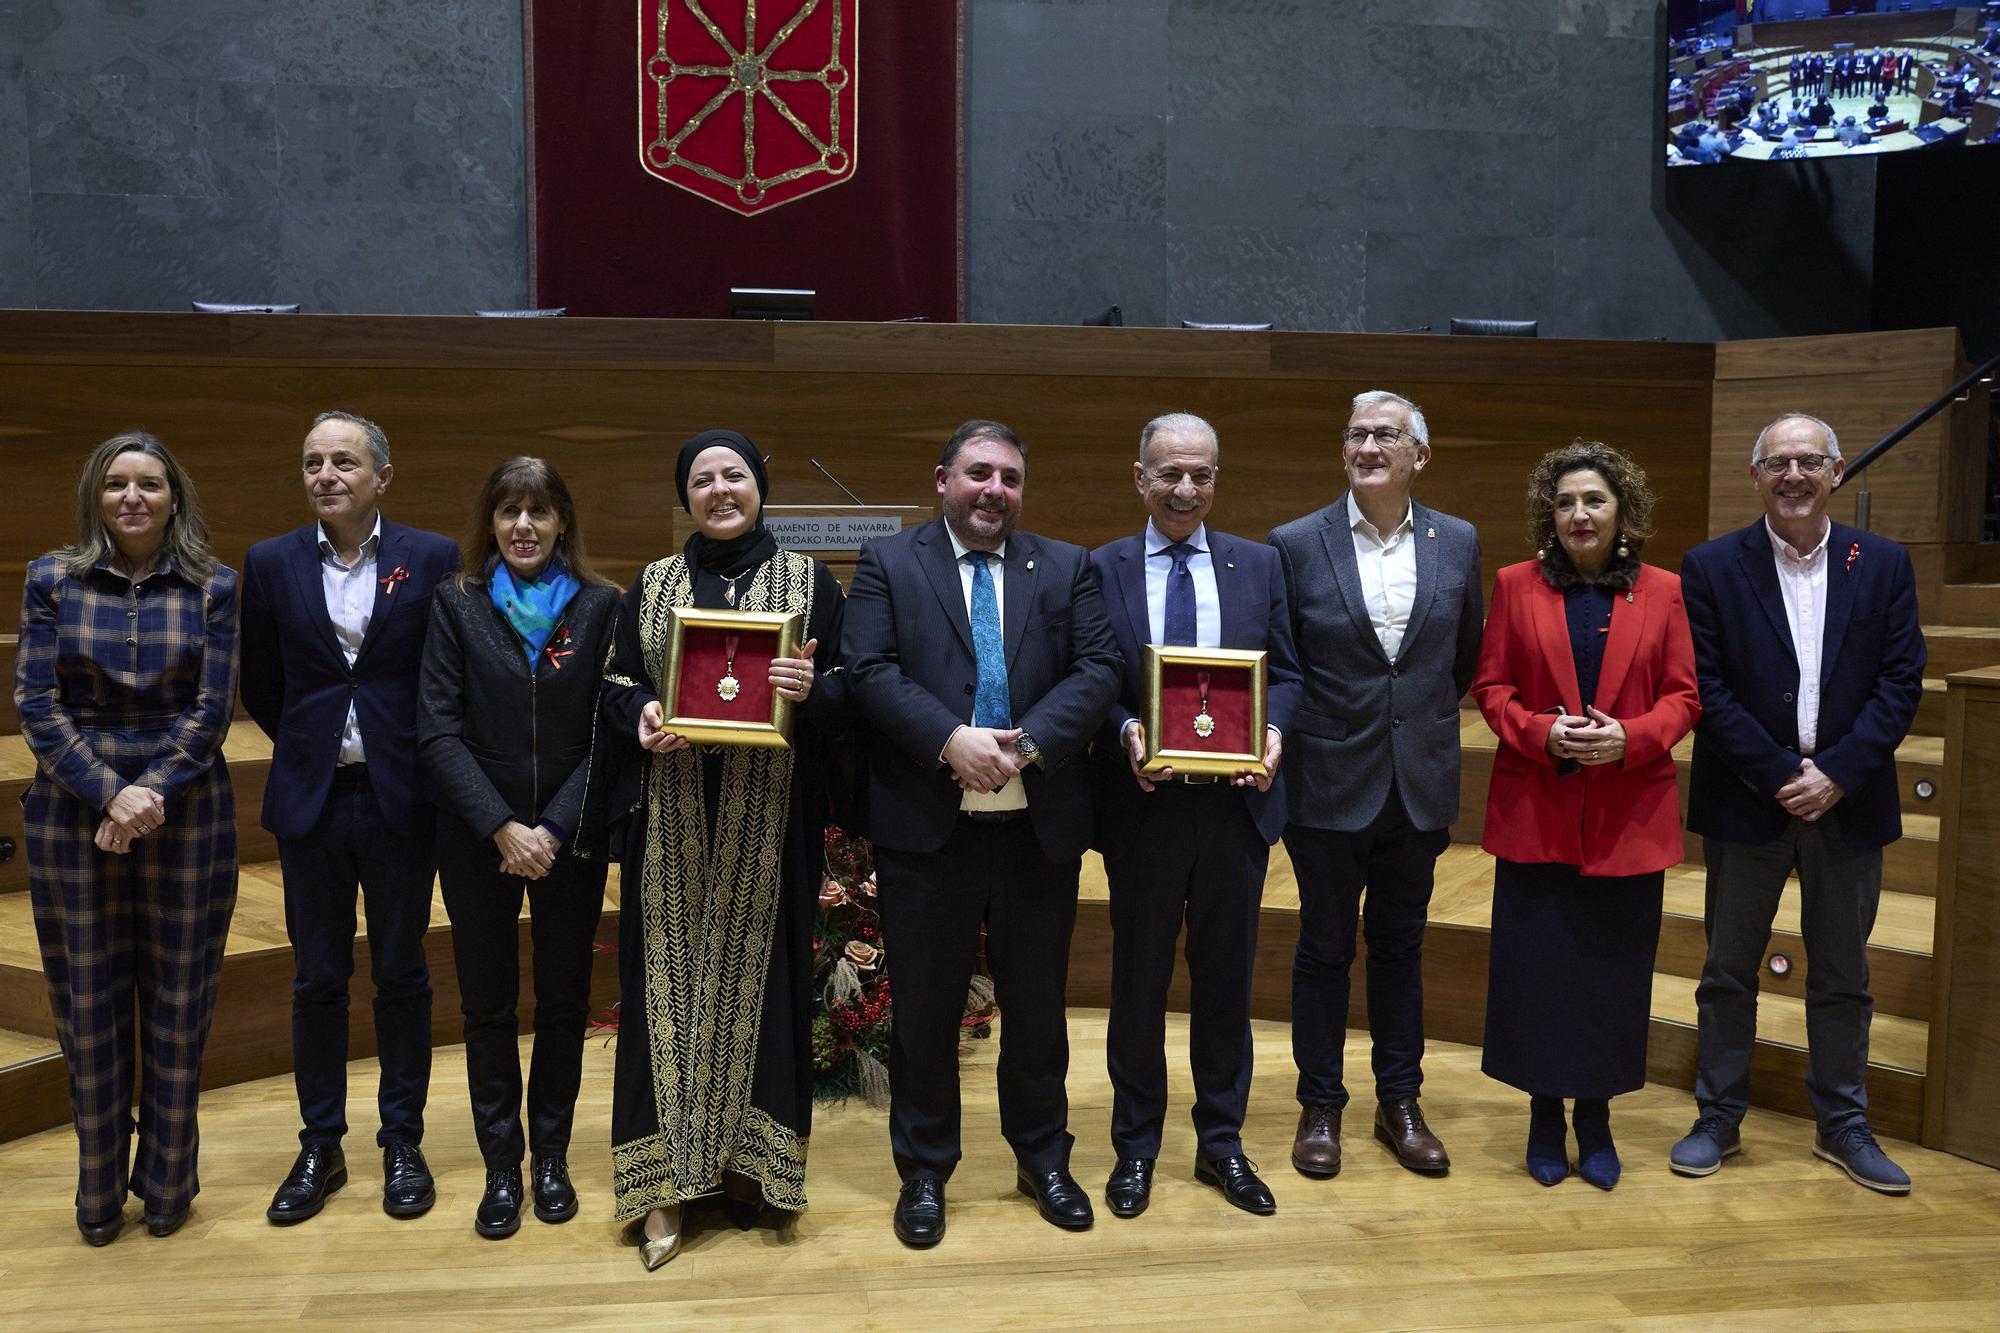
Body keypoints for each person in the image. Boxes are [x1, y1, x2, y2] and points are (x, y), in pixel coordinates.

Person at [845, 419, 1121, 1247]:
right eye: (979, 473)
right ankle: (925, 1171)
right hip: (928, 830)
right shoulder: (891, 562)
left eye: (1009, 477)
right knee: (925, 1012)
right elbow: (868, 669)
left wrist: (1026, 744)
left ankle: (1043, 1157)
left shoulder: (1066, 565)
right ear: (943, 479)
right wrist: (949, 739)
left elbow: (1099, 668)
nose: (994, 489)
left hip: (1038, 829)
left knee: (1036, 1008)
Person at [601, 429, 848, 1269]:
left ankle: (749, 1169)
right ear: (686, 497)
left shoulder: (811, 582)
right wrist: (639, 712)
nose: (719, 490)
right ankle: (663, 1188)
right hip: (670, 821)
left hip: (770, 822)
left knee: (766, 988)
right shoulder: (653, 583)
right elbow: (617, 680)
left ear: (759, 487)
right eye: (702, 479)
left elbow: (850, 688)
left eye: (733, 474)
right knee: (662, 994)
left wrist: (811, 691)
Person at [1672, 413, 1926, 1194]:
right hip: (1749, 797)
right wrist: (1785, 772)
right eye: (1777, 462)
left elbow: (1901, 680)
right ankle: (1718, 1117)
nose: (1793, 475)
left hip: (1849, 802)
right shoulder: (1711, 566)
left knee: (1844, 974)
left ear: (1837, 472)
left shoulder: (1883, 563)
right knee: (1727, 970)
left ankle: (1843, 1124)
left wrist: (1836, 773)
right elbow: (1706, 687)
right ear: (1755, 476)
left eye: (1809, 461)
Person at [16, 432, 238, 1245]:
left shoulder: (215, 585)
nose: (133, 497)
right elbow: (37, 703)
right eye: (116, 484)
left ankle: (169, 1182)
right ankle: (100, 1189)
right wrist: (112, 792)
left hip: (188, 807)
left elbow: (212, 709)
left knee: (180, 1000)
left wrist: (148, 792)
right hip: (74, 807)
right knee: (87, 1003)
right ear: (95, 496)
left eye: (149, 484)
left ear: (174, 498)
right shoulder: (51, 578)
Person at [240, 411, 459, 1225]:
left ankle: (402, 1140)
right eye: (312, 463)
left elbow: (443, 671)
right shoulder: (270, 562)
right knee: (317, 977)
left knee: (402, 973)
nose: (325, 475)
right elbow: (262, 683)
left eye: (343, 461)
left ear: (382, 476)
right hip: (315, 799)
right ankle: (320, 1144)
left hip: (402, 796)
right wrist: (315, 744)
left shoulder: (431, 557)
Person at [1086, 413, 1300, 1219]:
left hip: (1235, 810)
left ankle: (1222, 1142)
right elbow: (1091, 677)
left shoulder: (1261, 564)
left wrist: (1273, 734)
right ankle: (1135, 1146)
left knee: (1226, 985)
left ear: (1217, 479)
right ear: (1139, 477)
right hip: (1143, 810)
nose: (1185, 489)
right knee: (1138, 985)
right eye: (1170, 473)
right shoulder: (1100, 567)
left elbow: (1291, 674)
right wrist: (1124, 731)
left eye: (1201, 475)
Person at [1471, 443, 1699, 1191]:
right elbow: (1491, 686)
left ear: (1622, 510)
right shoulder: (1515, 584)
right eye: (1565, 501)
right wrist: (1542, 732)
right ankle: (1544, 1116)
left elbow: (1684, 695)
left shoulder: (1665, 591)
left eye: (1594, 500)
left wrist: (1630, 737)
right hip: (1537, 812)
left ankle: (1595, 1120)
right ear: (1550, 513)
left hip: (1627, 820)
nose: (1579, 514)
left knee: (1611, 975)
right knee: (1537, 972)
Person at [1268, 390, 1483, 1181]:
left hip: (1418, 783)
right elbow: (1285, 661)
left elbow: (1462, 657)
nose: (1368, 446)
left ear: (1418, 454)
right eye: (1356, 433)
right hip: (1328, 781)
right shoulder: (1295, 543)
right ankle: (1320, 1103)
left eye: (1385, 434)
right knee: (1324, 947)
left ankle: (1400, 1101)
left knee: (1401, 946)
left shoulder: (1458, 540)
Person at [418, 458, 622, 1239]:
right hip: (479, 837)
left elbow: (609, 729)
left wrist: (554, 826)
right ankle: (503, 1164)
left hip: (570, 836)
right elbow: (437, 729)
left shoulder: (602, 606)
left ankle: (553, 1158)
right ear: (491, 522)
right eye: (509, 510)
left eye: (539, 510)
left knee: (564, 1000)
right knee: (488, 1004)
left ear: (563, 520)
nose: (524, 525)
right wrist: (502, 825)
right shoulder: (457, 602)